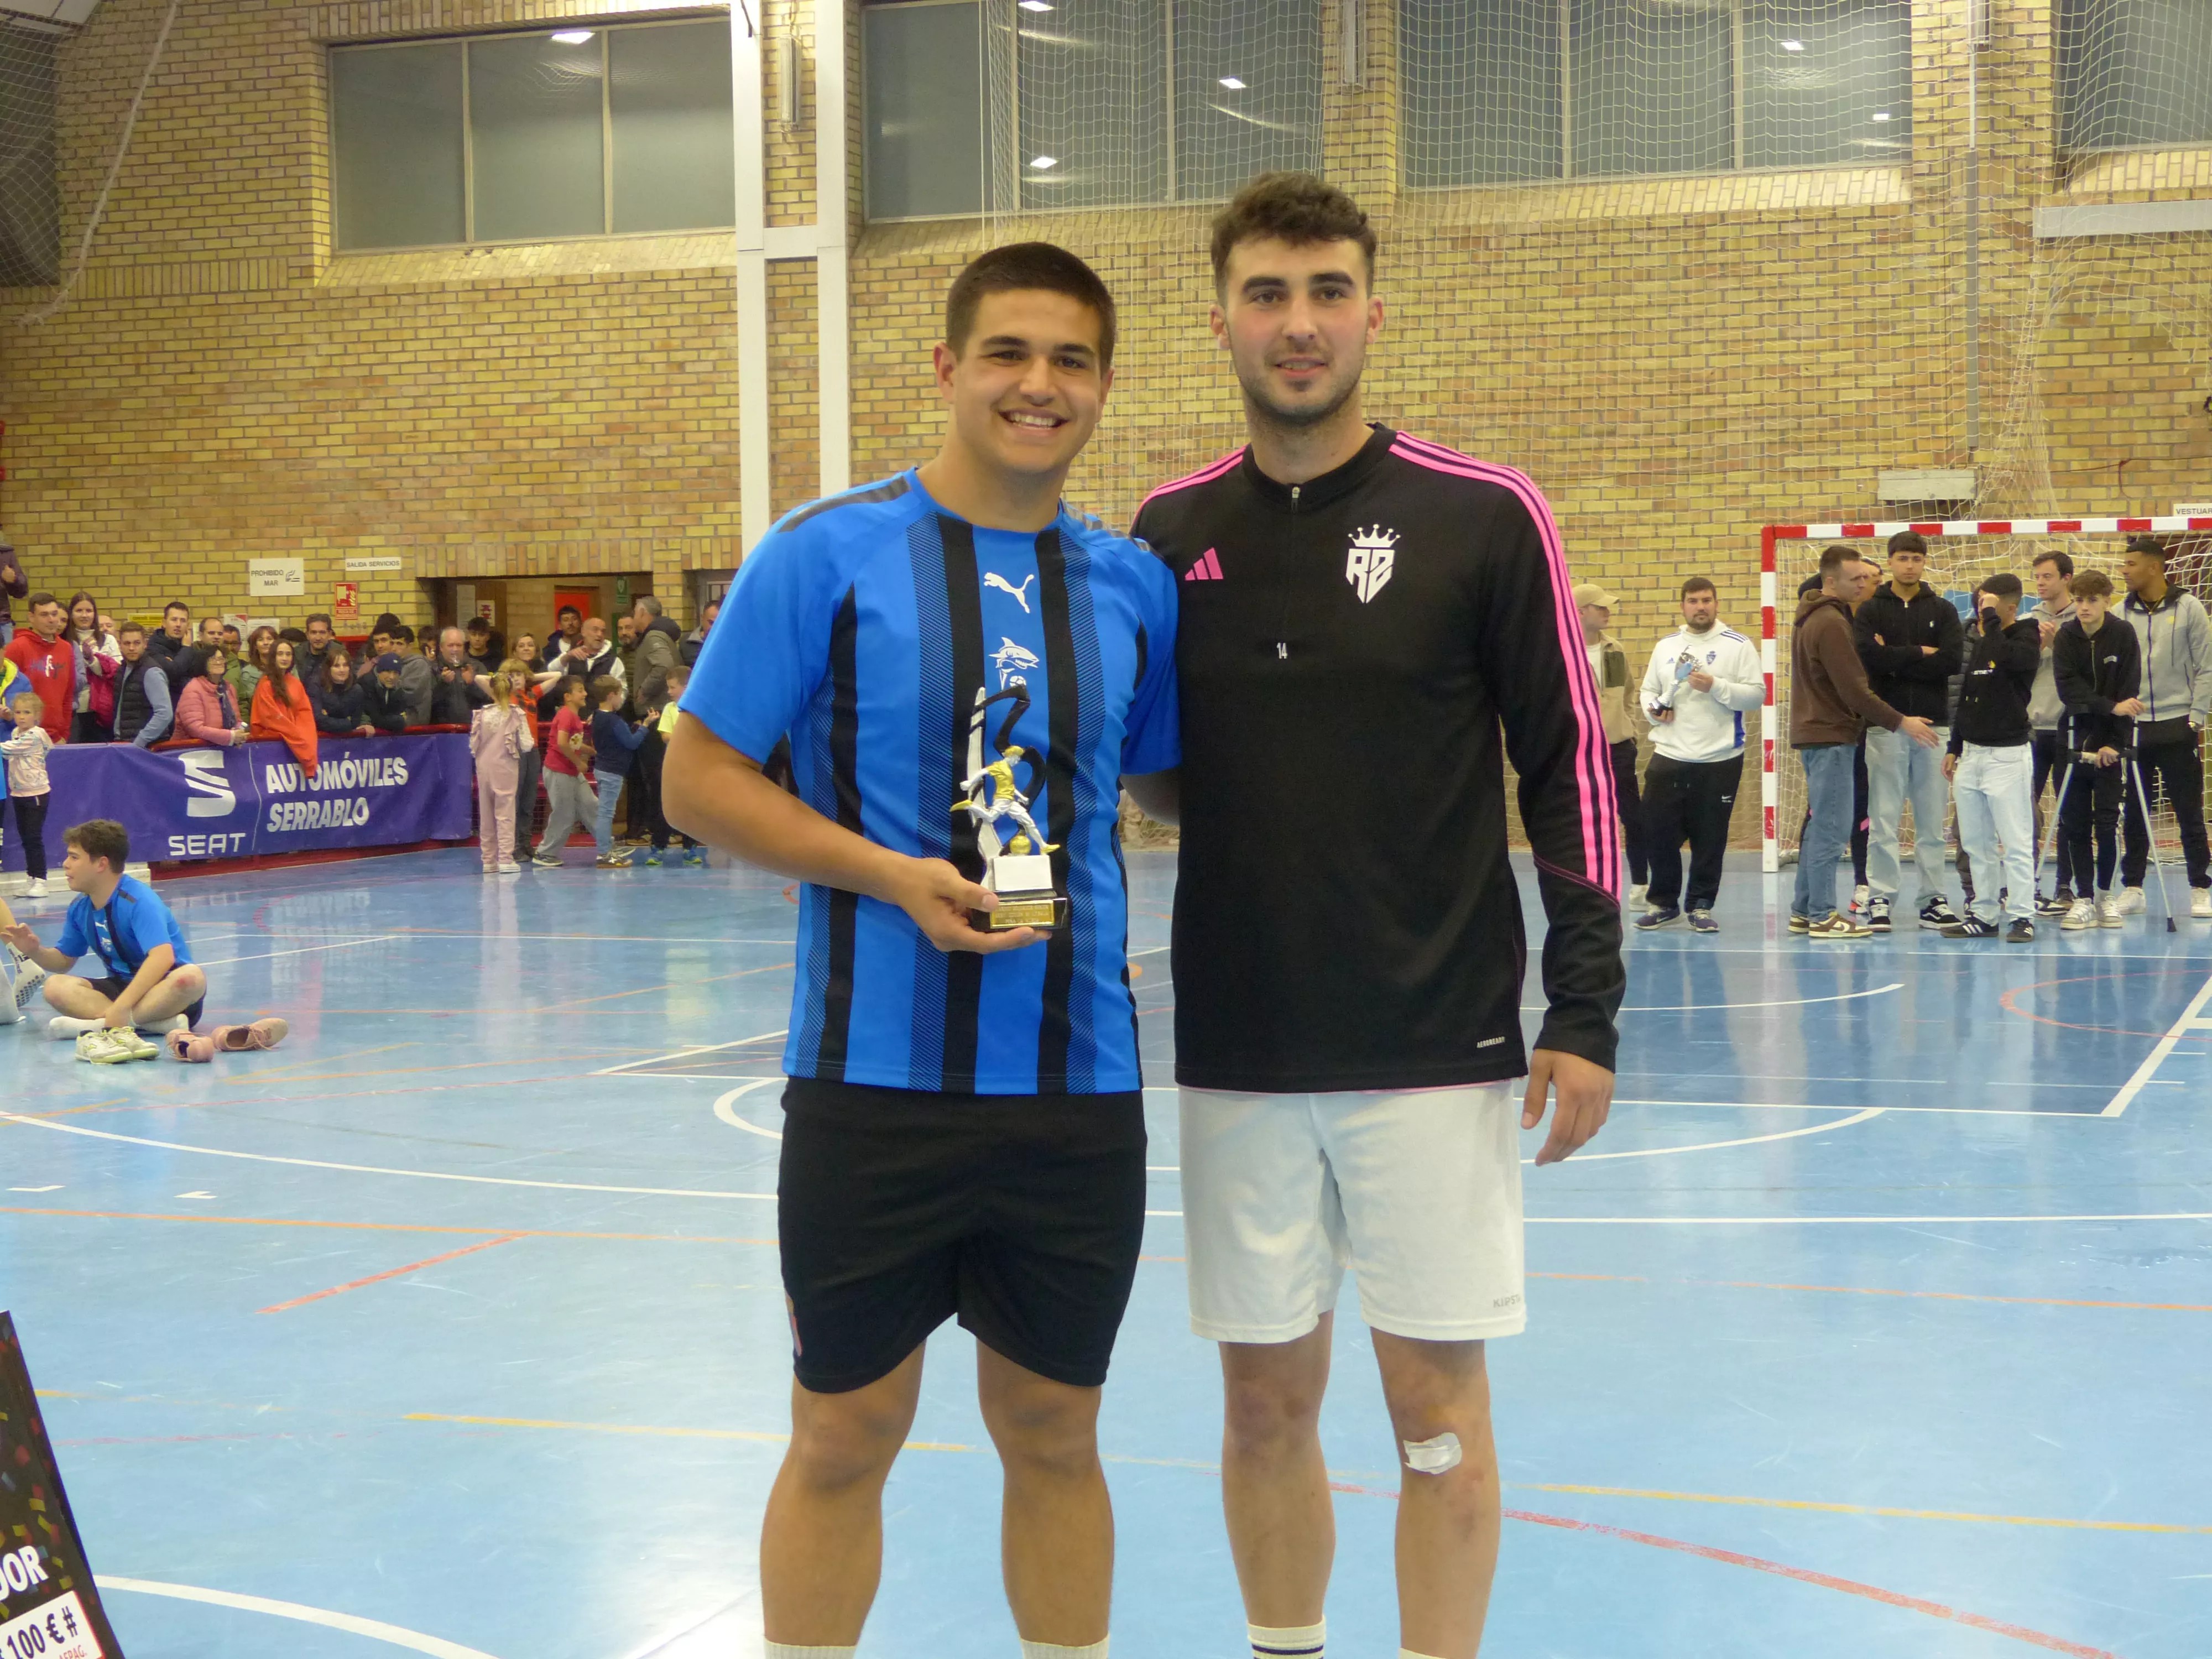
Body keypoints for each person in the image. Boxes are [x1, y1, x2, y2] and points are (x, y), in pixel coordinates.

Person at [1123, 174, 1615, 1659]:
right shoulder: (1169, 530)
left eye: (1328, 291)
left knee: (1434, 1412)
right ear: (1220, 319)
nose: (1299, 323)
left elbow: (1568, 763)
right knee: (1264, 1400)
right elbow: (1150, 773)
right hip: (1241, 1044)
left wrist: (1582, 1011)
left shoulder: (1483, 514)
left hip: (1437, 1036)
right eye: (1268, 294)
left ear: (1372, 312)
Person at [664, 240, 1178, 1659]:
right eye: (1008, 353)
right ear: (948, 369)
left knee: (1055, 1428)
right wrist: (888, 874)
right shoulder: (824, 553)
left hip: (1075, 1090)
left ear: (1103, 389)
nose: (1038, 384)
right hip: (870, 1083)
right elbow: (695, 781)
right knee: (842, 1428)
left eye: (1070, 359)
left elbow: (1170, 786)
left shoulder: (1132, 585)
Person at [1792, 547, 1938, 938]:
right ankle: (1822, 914)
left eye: (1864, 577)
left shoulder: (1815, 618)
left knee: (1819, 824)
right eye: (1855, 578)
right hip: (1832, 736)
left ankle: (1803, 909)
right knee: (1832, 828)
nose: (1863, 584)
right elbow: (1855, 691)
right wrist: (1900, 721)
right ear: (1830, 581)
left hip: (1818, 736)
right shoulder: (1831, 623)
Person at [0, 819, 206, 1064]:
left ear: (101, 864)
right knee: (55, 987)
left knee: (192, 978)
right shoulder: (80, 906)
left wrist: (121, 1008)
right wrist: (35, 951)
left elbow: (163, 958)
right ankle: (150, 1025)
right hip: (122, 989)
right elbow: (64, 961)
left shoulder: (138, 900)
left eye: (74, 857)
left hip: (165, 992)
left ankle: (105, 1025)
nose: (65, 864)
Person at [1636, 575, 1763, 933]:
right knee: (1658, 834)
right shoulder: (1666, 647)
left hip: (1720, 758)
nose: (1701, 606)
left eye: (1707, 600)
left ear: (1716, 603)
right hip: (1669, 753)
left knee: (1710, 838)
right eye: (1693, 601)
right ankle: (1663, 903)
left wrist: (1716, 686)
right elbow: (1649, 691)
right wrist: (1653, 710)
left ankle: (1701, 906)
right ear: (1683, 605)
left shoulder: (1738, 646)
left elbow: (1756, 695)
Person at [1853, 531, 1964, 933]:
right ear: (1891, 561)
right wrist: (1920, 652)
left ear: (1924, 563)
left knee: (1932, 821)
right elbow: (1870, 659)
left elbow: (1951, 661)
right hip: (1887, 726)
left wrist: (1894, 658)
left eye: (1917, 558)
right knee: (1883, 819)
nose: (1910, 565)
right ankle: (1880, 896)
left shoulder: (1944, 610)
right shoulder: (1869, 611)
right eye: (1903, 558)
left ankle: (1933, 899)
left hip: (1935, 728)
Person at [2115, 536, 2211, 917]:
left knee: (2188, 810)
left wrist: (2197, 716)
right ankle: (2133, 887)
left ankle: (2201, 887)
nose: (2125, 570)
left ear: (2154, 567)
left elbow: (2206, 667)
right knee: (2136, 811)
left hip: (2178, 723)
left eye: (2132, 564)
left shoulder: (2190, 608)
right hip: (2135, 726)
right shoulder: (2119, 611)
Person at [1942, 572, 2042, 941]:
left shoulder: (2026, 637)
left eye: (1989, 606)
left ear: (2011, 608)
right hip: (1973, 755)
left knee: (2015, 842)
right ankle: (1983, 914)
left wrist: (1994, 623)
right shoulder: (1985, 641)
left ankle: (2021, 915)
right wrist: (1955, 747)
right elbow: (1970, 693)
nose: (1981, 613)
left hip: (2008, 757)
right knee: (1975, 843)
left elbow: (2010, 659)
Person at [2053, 568, 2140, 931]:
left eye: (2092, 600)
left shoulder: (2123, 634)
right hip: (2072, 738)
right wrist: (2110, 706)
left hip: (2111, 741)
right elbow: (2069, 690)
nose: (2084, 607)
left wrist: (2114, 743)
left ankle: (2106, 897)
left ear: (2107, 601)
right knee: (2073, 824)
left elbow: (2129, 691)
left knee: (2106, 823)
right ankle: (2083, 897)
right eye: (2079, 600)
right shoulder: (2066, 636)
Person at [1573, 583, 1648, 908]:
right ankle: (1585, 883)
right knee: (1584, 819)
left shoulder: (1615, 649)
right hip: (1578, 752)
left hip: (1618, 748)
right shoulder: (1561, 653)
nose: (1607, 612)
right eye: (1599, 607)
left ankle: (1641, 884)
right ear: (1579, 612)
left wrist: (1628, 730)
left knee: (1633, 816)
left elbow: (1628, 693)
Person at [2025, 550, 2078, 915]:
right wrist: (2038, 647)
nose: (2041, 583)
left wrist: (2060, 645)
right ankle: (2024, 884)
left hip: (2069, 730)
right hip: (2030, 730)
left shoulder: (2085, 618)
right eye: (2038, 577)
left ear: (2066, 578)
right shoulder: (2029, 620)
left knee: (2070, 811)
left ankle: (2065, 885)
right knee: (2023, 811)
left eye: (2047, 576)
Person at [471, 660, 531, 877]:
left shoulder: (481, 714)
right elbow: (528, 744)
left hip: (484, 768)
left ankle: (488, 860)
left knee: (486, 813)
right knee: (505, 813)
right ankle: (506, 858)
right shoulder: (516, 713)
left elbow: (473, 745)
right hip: (505, 767)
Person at [530, 675, 596, 868]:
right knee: (563, 813)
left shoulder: (572, 716)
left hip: (570, 772)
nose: (585, 694)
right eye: (580, 690)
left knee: (591, 805)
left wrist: (589, 750)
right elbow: (561, 743)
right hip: (560, 771)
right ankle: (545, 853)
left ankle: (608, 846)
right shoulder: (567, 715)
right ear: (568, 696)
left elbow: (572, 742)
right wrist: (578, 762)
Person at [643, 662, 703, 865]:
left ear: (686, 687)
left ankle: (690, 848)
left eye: (672, 687)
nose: (668, 692)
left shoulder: (699, 707)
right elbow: (666, 736)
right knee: (665, 807)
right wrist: (687, 735)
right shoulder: (670, 709)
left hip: (694, 767)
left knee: (692, 808)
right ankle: (658, 847)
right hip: (673, 767)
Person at [587, 675, 646, 868]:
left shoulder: (596, 716)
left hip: (602, 768)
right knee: (606, 813)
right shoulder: (614, 721)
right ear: (612, 695)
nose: (622, 699)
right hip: (613, 771)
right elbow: (632, 743)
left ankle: (606, 849)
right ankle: (604, 854)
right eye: (620, 695)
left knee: (605, 811)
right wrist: (645, 727)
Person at [2, 593, 76, 744]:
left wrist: (64, 734)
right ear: (31, 617)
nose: (51, 620)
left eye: (54, 614)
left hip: (57, 738)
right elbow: (7, 690)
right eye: (44, 615)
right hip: (24, 737)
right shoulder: (17, 647)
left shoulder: (66, 648)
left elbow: (68, 695)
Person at [2, 692, 55, 898]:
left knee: (33, 837)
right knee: (25, 838)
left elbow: (9, 749)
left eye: (27, 712)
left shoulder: (35, 735)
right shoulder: (16, 732)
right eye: (18, 712)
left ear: (37, 715)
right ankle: (31, 878)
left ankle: (41, 880)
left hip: (36, 794)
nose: (22, 717)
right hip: (19, 793)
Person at [251, 639, 320, 777]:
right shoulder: (265, 684)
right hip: (273, 746)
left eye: (288, 654)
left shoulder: (296, 684)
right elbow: (271, 718)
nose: (285, 658)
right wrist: (301, 744)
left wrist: (307, 743)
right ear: (273, 657)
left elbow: (305, 715)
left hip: (295, 742)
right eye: (280, 654)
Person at [65, 593, 119, 744]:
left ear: (95, 614)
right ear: (71, 613)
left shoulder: (109, 640)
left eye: (89, 611)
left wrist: (92, 660)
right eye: (79, 611)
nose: (84, 615)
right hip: (73, 709)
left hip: (102, 710)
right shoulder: (64, 641)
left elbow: (116, 673)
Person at [109, 624, 175, 747]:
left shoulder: (152, 672)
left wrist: (140, 742)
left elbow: (164, 714)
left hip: (147, 746)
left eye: (137, 643)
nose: (132, 648)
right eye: (127, 643)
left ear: (145, 644)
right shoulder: (122, 670)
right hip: (125, 742)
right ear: (120, 645)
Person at [175, 646, 248, 746]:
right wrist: (230, 736)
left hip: (224, 749)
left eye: (221, 659)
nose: (218, 663)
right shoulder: (193, 689)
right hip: (193, 751)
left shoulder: (229, 687)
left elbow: (237, 720)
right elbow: (195, 729)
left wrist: (240, 730)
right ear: (203, 663)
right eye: (213, 659)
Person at [429, 627, 492, 726]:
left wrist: (472, 684)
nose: (455, 649)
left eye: (459, 645)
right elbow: (428, 704)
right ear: (441, 647)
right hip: (442, 731)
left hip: (474, 729)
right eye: (451, 645)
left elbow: (490, 701)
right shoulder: (432, 668)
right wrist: (443, 684)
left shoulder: (476, 667)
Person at [312, 648, 378, 736]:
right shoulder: (316, 686)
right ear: (328, 669)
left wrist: (328, 717)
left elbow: (355, 722)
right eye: (337, 666)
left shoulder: (357, 690)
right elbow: (318, 720)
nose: (342, 670)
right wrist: (347, 723)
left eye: (345, 665)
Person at [389, 627, 435, 726]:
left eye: (400, 644)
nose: (394, 648)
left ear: (410, 646)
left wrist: (389, 686)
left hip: (413, 725)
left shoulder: (419, 665)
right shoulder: (389, 664)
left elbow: (410, 695)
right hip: (393, 723)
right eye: (392, 643)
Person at [148, 601, 194, 690]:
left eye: (183, 621)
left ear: (188, 625)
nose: (178, 625)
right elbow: (174, 673)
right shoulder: (153, 648)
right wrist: (186, 649)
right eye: (174, 620)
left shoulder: (192, 650)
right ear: (164, 623)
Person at [363, 654, 414, 733]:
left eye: (395, 673)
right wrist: (399, 721)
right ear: (379, 671)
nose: (392, 677)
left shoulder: (397, 688)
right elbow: (375, 719)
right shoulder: (366, 684)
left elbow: (400, 713)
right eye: (388, 672)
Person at [236, 624, 276, 708]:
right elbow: (247, 702)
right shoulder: (248, 672)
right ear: (255, 646)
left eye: (270, 639)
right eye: (261, 640)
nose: (266, 643)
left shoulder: (287, 668)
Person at [540, 604, 585, 669]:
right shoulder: (549, 650)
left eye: (574, 619)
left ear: (581, 623)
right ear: (560, 626)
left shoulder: (588, 646)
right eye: (566, 620)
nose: (570, 623)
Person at [0, 542, 25, 649]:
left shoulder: (5, 553)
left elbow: (22, 591)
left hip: (2, 623)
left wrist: (13, 580)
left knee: (7, 663)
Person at [302, 613, 340, 684]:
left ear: (329, 634)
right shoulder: (297, 654)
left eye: (322, 633)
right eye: (314, 633)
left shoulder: (339, 652)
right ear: (307, 635)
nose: (318, 638)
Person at [680, 598, 717, 667]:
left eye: (718, 623)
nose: (713, 627)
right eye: (711, 622)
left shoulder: (732, 643)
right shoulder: (686, 642)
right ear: (702, 618)